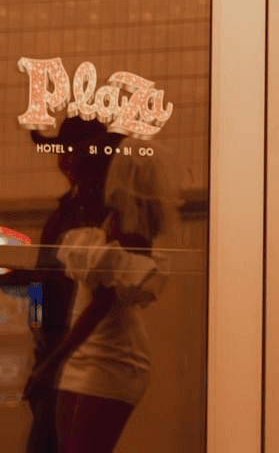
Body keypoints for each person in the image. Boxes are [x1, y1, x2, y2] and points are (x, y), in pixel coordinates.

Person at [30, 143, 178, 453]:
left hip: (108, 354)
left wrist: (56, 358)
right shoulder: (112, 220)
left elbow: (101, 304)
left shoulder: (129, 230)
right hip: (86, 349)